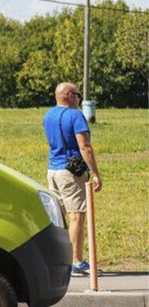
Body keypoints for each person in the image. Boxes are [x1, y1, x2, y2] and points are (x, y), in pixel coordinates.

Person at [42, 82, 102, 277]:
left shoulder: (48, 115)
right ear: (69, 95)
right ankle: (76, 262)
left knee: (59, 217)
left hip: (53, 170)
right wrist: (95, 173)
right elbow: (84, 147)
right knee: (76, 216)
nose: (79, 98)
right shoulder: (76, 116)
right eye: (77, 94)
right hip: (71, 172)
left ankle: (58, 259)